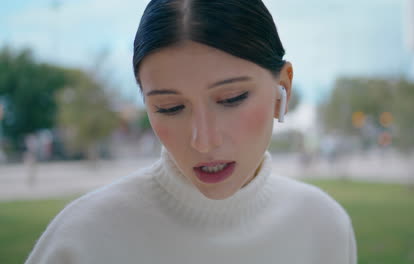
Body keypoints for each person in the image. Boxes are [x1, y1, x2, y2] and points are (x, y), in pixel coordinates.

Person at [25, 0, 357, 263]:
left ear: (282, 86)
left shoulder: (323, 226)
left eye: (231, 98)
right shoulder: (83, 240)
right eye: (169, 108)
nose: (203, 140)